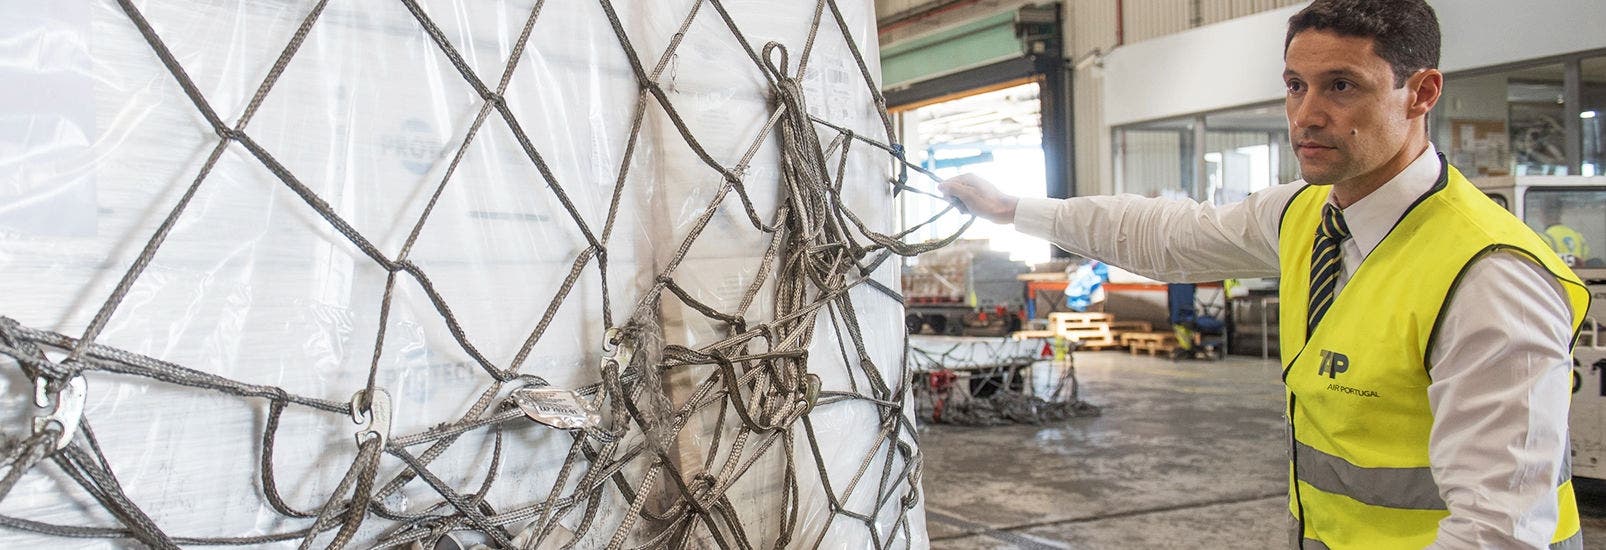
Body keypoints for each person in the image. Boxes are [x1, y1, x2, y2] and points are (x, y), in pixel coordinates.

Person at [940, 1, 1592, 548]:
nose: (1306, 115)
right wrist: (1012, 210)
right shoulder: (1307, 214)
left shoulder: (1489, 276)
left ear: (1421, 92)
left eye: (1342, 85)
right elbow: (1165, 234)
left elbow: (1499, 529)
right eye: (1295, 85)